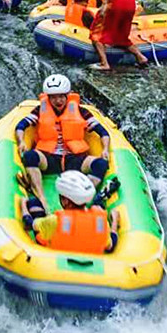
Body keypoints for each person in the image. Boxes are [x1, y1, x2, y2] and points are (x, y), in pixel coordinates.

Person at [15, 74, 110, 226]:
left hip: (74, 158)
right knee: (30, 156)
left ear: (67, 96)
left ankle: (84, 198)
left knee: (101, 164)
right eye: (53, 97)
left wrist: (105, 149)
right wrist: (21, 142)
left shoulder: (81, 111)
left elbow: (103, 132)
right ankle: (41, 198)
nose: (57, 101)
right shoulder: (40, 110)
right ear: (48, 98)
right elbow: (21, 126)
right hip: (50, 157)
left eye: (61, 97)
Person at [26, 170, 120, 254]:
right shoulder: (100, 221)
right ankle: (101, 196)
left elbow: (30, 224)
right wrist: (115, 221)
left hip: (55, 259)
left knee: (34, 203)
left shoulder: (55, 221)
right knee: (97, 207)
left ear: (65, 201)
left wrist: (23, 205)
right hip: (91, 262)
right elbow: (110, 246)